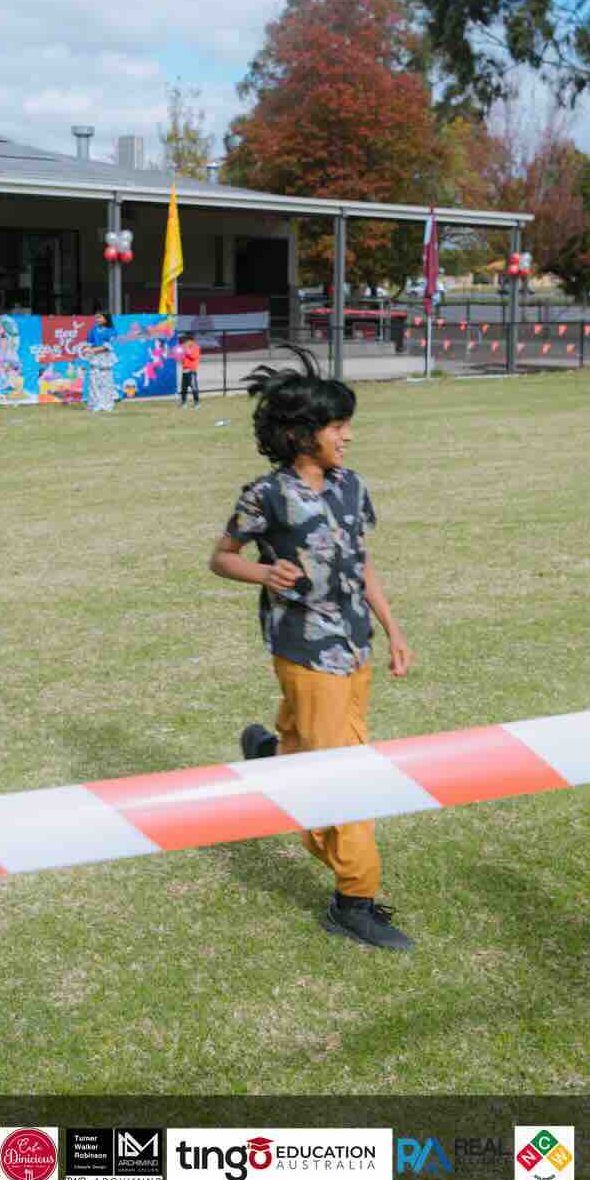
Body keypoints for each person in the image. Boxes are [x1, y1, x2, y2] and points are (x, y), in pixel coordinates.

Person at [208, 347, 416, 952]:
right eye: (336, 427)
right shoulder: (265, 497)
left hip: (356, 645)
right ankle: (354, 898)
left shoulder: (352, 487)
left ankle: (275, 757)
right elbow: (220, 558)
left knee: (331, 752)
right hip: (306, 650)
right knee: (349, 777)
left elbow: (362, 561)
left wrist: (394, 628)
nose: (347, 437)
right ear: (302, 435)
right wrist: (262, 575)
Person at [84, 314, 119, 413]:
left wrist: (93, 350)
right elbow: (89, 344)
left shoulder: (111, 331)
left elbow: (108, 346)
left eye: (100, 317)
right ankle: (95, 404)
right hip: (94, 358)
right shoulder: (92, 330)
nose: (97, 319)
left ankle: (107, 405)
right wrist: (87, 349)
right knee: (93, 382)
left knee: (106, 382)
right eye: (97, 317)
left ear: (106, 318)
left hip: (105, 358)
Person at [177, 331, 203, 407]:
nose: (185, 341)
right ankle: (183, 402)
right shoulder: (184, 346)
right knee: (183, 388)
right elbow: (181, 357)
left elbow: (193, 356)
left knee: (194, 387)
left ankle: (197, 403)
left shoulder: (195, 347)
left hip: (191, 371)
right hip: (185, 370)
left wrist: (186, 350)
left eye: (187, 339)